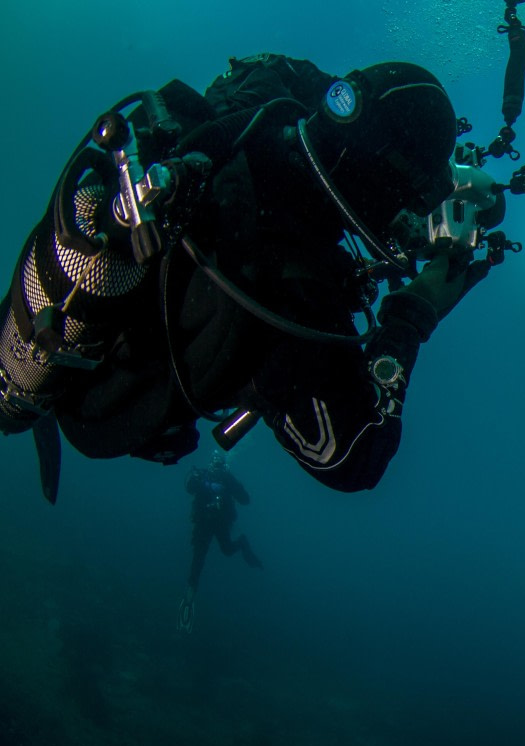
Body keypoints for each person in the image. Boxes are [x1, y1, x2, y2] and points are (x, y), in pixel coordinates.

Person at [0, 54, 492, 495]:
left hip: (67, 302)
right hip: (99, 407)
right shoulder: (294, 292)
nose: (404, 213)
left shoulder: (253, 117)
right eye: (409, 198)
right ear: (383, 181)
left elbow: (299, 81)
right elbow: (351, 459)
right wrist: (414, 313)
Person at [177, 451, 260, 634]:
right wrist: (200, 480)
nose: (216, 468)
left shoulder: (228, 480)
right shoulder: (202, 475)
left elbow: (245, 500)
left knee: (227, 550)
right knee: (198, 557)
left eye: (220, 465)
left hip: (221, 523)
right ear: (210, 465)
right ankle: (191, 593)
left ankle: (242, 543)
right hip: (203, 522)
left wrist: (230, 483)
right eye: (214, 464)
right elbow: (189, 487)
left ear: (224, 466)